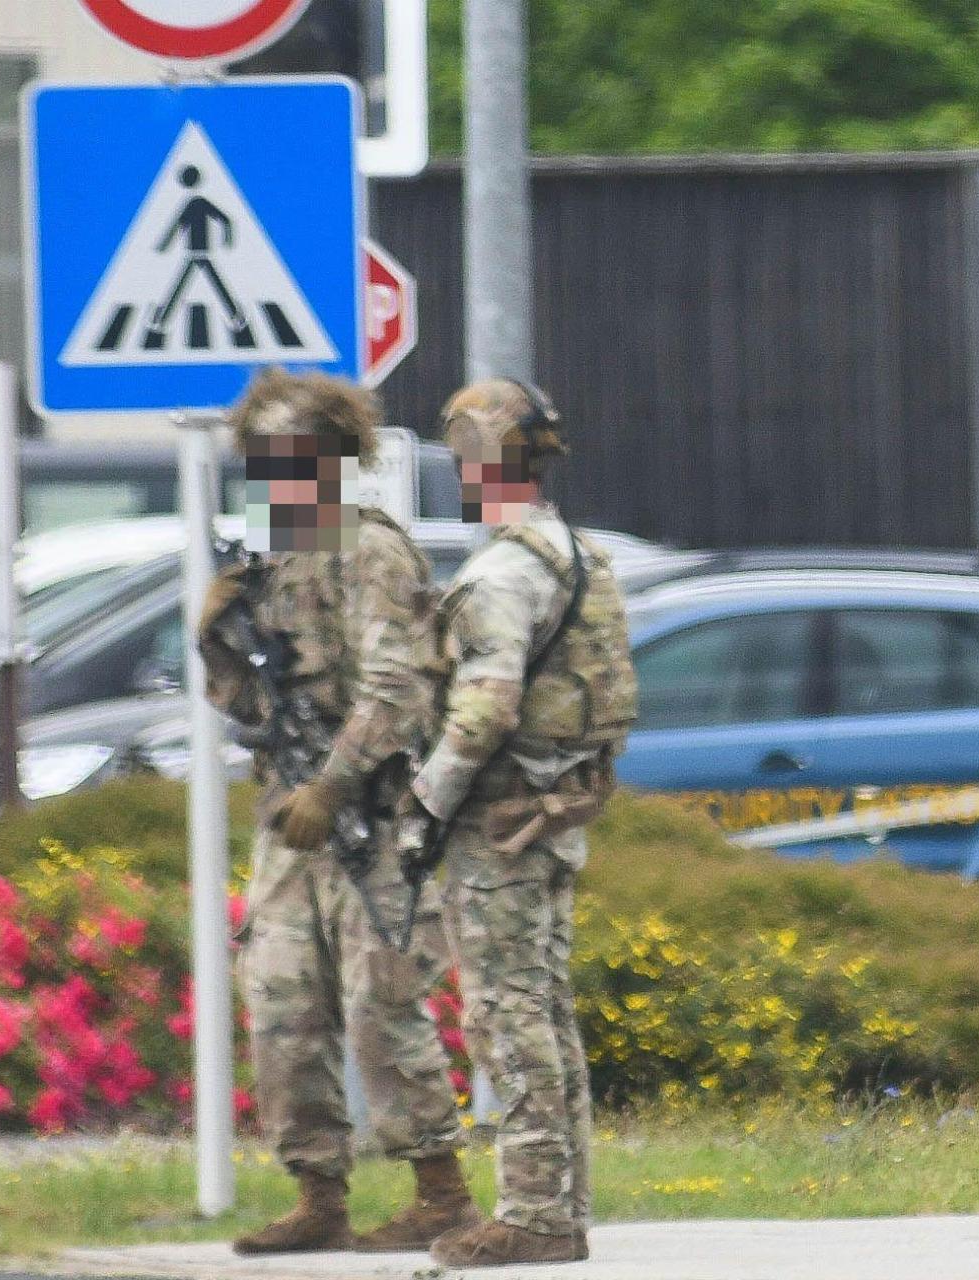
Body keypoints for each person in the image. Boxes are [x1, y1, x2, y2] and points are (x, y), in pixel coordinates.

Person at [197, 369, 477, 1255]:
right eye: (263, 459)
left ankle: (440, 1189)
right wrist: (216, 644)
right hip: (294, 817)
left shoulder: (372, 550)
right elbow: (252, 709)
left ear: (334, 457)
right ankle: (318, 1191)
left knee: (378, 1002)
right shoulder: (272, 563)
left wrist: (335, 784)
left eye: (294, 456)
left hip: (381, 815)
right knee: (280, 996)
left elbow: (396, 689)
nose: (277, 473)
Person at [401, 378, 637, 1268]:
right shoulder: (571, 552)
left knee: (507, 1016)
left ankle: (534, 1216)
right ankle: (557, 1207)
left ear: (476, 458)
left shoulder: (502, 569)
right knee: (542, 1008)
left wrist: (426, 801)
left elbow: (486, 706)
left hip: (500, 820)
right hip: (553, 810)